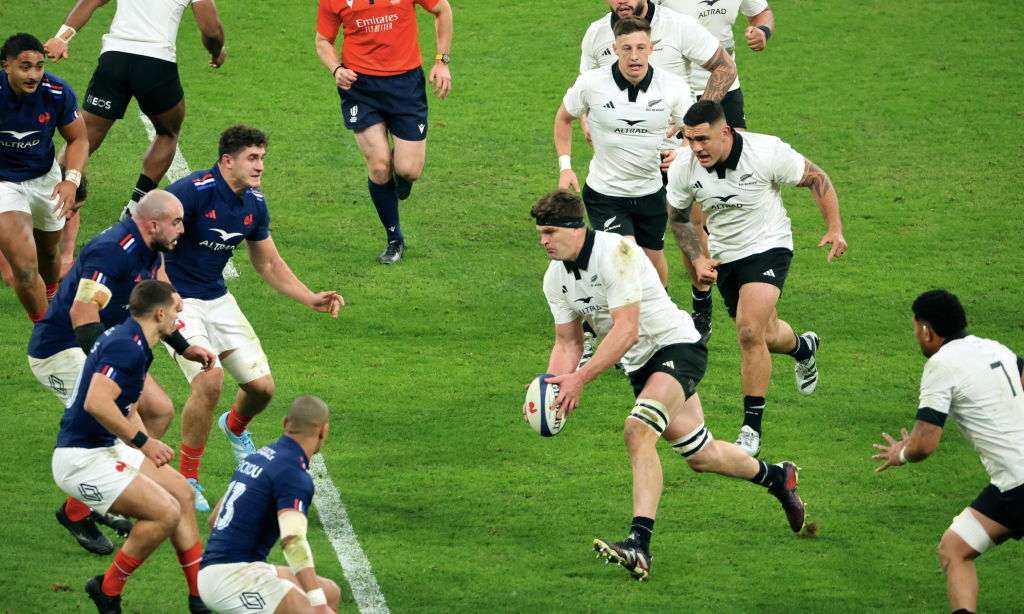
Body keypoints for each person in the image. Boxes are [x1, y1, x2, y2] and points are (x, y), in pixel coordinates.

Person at [528, 189, 806, 581]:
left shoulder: (617, 254)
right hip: (642, 366)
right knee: (701, 455)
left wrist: (581, 379)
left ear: (576, 228)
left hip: (676, 346)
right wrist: (554, 386)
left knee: (637, 430)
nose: (543, 241)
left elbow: (626, 330)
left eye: (550, 232)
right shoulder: (555, 278)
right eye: (540, 233)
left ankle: (639, 546)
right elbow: (568, 342)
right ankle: (778, 478)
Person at [164, 125, 344, 512]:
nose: (260, 165)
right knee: (209, 381)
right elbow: (151, 241)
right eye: (252, 158)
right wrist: (165, 295)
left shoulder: (254, 203)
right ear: (227, 161)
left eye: (262, 157)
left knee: (262, 389)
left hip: (216, 298)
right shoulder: (190, 193)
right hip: (178, 301)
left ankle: (235, 426)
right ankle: (188, 477)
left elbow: (269, 262)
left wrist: (310, 297)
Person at [29, 189, 214, 555]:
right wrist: (113, 373)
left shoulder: (153, 247)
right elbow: (82, 314)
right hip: (62, 350)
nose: (183, 227)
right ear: (152, 224)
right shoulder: (112, 251)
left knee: (159, 409)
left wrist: (183, 345)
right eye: (176, 221)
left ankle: (89, 502)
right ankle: (87, 508)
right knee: (117, 419)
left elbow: (160, 291)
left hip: (108, 350)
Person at [666, 99, 847, 457]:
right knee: (765, 334)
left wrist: (835, 228)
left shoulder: (766, 152)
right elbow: (679, 216)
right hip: (726, 255)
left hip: (769, 246)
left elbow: (817, 178)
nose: (696, 148)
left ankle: (751, 428)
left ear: (725, 132)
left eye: (703, 139)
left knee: (748, 330)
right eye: (690, 139)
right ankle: (804, 347)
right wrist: (698, 258)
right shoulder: (685, 167)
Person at [576, 2, 737, 341]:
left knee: (688, 225)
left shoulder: (677, 26)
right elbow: (584, 83)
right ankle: (625, 320)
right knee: (626, 246)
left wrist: (692, 131)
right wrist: (586, 119)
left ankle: (701, 302)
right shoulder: (596, 34)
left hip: (677, 145)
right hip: (626, 153)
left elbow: (724, 67)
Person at [51, 280, 212, 614]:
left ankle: (199, 597)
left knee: (182, 493)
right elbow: (97, 402)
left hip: (105, 446)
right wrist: (144, 443)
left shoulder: (134, 340)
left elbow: (127, 406)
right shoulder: (126, 347)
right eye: (174, 308)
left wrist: (141, 448)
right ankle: (107, 589)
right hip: (83, 459)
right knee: (164, 513)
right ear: (158, 313)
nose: (179, 312)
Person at [873, 290, 1024, 614]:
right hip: (1010, 486)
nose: (916, 335)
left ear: (927, 330)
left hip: (1018, 485)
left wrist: (901, 453)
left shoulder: (942, 365)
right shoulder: (995, 348)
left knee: (955, 552)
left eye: (915, 328)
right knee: (954, 547)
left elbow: (925, 444)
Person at [42, 0, 225, 250]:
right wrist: (217, 51)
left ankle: (48, 199)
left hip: (114, 59)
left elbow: (90, 2)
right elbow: (211, 29)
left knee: (83, 135)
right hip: (156, 64)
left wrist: (61, 37)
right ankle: (136, 206)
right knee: (167, 132)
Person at [314, 0, 453, 264]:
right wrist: (336, 69)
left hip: (405, 85)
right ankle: (394, 239)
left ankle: (399, 167)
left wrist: (442, 61)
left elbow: (442, 9)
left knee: (409, 170)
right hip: (360, 86)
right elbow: (323, 40)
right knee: (378, 167)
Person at [198, 395, 341, 614]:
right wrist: (316, 602)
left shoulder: (257, 458)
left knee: (330, 591)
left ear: (285, 423)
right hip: (231, 579)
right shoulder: (293, 474)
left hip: (221, 569)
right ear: (324, 430)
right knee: (319, 609)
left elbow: (214, 520)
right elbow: (293, 542)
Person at [0, 33, 87, 322]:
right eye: (25, 66)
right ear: (6, 66)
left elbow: (79, 140)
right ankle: (46, 329)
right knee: (24, 267)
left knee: (48, 252)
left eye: (39, 66)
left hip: (44, 177)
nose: (33, 74)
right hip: (4, 183)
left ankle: (50, 296)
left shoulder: (58, 92)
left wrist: (71, 179)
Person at [655, 0, 774, 129]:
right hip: (679, 93)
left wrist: (763, 31)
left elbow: (762, 12)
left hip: (725, 84)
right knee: (679, 149)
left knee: (733, 147)